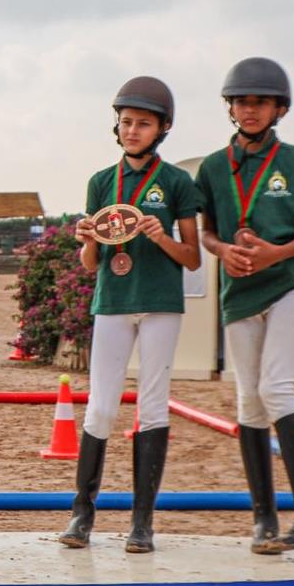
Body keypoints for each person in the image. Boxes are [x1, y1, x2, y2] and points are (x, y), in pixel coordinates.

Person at [196, 57, 294, 554]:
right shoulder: (215, 167)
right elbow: (208, 232)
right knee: (247, 402)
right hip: (240, 289)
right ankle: (264, 520)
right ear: (230, 108)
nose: (249, 109)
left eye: (259, 102)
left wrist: (277, 251)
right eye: (241, 101)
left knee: (276, 388)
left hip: (289, 280)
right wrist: (222, 251)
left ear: (279, 108)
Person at [59, 77, 201, 553]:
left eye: (143, 123)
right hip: (113, 302)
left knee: (153, 405)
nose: (133, 130)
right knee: (100, 405)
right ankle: (83, 513)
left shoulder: (178, 182)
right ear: (116, 127)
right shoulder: (102, 181)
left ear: (163, 128)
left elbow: (192, 258)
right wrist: (88, 240)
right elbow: (90, 265)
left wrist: (160, 237)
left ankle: (143, 522)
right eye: (126, 123)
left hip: (161, 303)